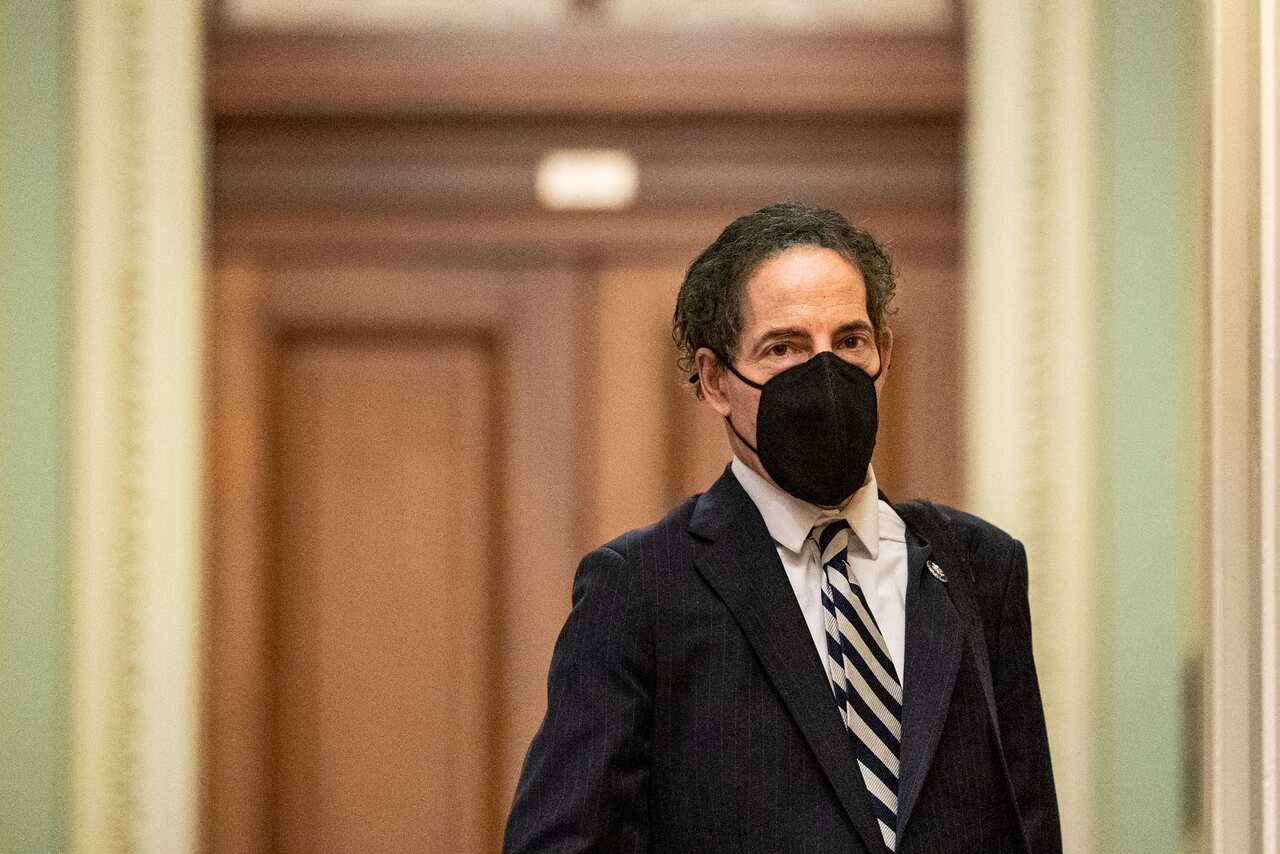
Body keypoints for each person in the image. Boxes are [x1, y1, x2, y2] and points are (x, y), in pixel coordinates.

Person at [502, 202, 1062, 854]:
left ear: (883, 352)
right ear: (714, 381)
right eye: (783, 347)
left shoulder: (978, 567)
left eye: (849, 341)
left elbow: (1027, 826)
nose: (823, 374)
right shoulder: (642, 588)